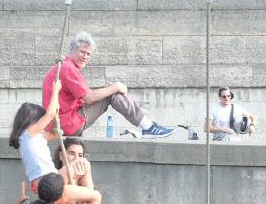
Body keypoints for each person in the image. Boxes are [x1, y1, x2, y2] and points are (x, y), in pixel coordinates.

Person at [8, 80, 105, 204]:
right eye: (40, 120)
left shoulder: (31, 138)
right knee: (93, 190)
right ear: (31, 120)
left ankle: (91, 202)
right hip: (50, 183)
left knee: (85, 172)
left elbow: (54, 133)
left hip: (49, 181)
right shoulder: (28, 134)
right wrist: (56, 91)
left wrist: (57, 127)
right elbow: (50, 114)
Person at [42, 30, 175, 139]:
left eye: (89, 54)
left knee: (109, 91)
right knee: (111, 95)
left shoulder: (63, 65)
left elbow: (84, 98)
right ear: (72, 50)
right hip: (66, 125)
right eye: (82, 52)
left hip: (59, 124)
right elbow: (89, 98)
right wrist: (115, 87)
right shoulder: (68, 68)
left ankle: (146, 123)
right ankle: (148, 127)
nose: (86, 57)